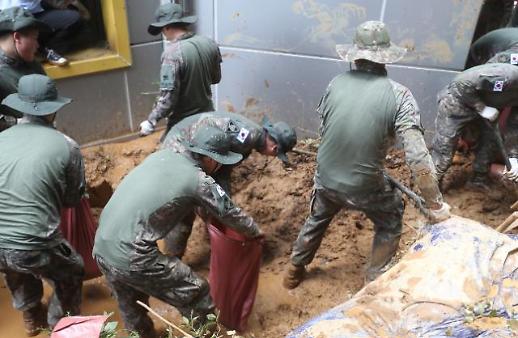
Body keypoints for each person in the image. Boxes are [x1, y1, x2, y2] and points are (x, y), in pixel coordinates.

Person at [283, 21, 451, 289]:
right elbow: (418, 158)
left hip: (325, 178)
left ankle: (294, 269)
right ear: (386, 57)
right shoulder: (400, 97)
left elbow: (325, 132)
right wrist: (435, 203)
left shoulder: (335, 83)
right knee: (392, 213)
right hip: (364, 186)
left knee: (317, 217)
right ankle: (374, 279)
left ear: (355, 55)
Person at [93, 126, 263, 338]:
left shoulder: (164, 155)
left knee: (131, 304)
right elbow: (230, 212)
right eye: (220, 163)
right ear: (211, 160)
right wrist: (256, 233)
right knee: (197, 292)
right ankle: (206, 336)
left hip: (102, 246)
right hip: (132, 254)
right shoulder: (198, 180)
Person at [0, 74, 85, 336]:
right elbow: (72, 199)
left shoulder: (2, 138)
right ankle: (59, 323)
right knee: (72, 271)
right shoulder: (67, 146)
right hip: (35, 241)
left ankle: (30, 312)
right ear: (53, 109)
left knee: (13, 263)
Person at [161, 111, 296, 257]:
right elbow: (215, 125)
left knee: (215, 202)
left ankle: (216, 237)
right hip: (180, 146)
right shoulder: (246, 135)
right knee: (184, 209)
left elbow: (222, 166)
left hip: (192, 146)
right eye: (276, 154)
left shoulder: (250, 138)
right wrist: (226, 207)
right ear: (274, 148)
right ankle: (172, 260)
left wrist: (222, 198)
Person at [138, 2, 222, 139]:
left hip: (183, 122)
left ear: (166, 27)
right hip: (207, 115)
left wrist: (151, 121)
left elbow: (168, 100)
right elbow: (216, 78)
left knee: (168, 155)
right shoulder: (210, 43)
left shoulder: (171, 54)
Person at [431, 63, 518, 187]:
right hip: (457, 102)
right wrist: (481, 108)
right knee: (445, 147)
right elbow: (461, 83)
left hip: (486, 108)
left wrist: (513, 158)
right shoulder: (508, 76)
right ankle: (432, 190)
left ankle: (478, 180)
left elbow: (515, 126)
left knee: (490, 141)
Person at [0, 6, 46, 132]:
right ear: (17, 37)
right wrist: (17, 122)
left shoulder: (33, 65)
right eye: (35, 38)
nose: (37, 45)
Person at [0, 0, 86, 66]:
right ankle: (41, 51)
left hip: (33, 12)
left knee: (74, 18)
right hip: (14, 18)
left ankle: (47, 51)